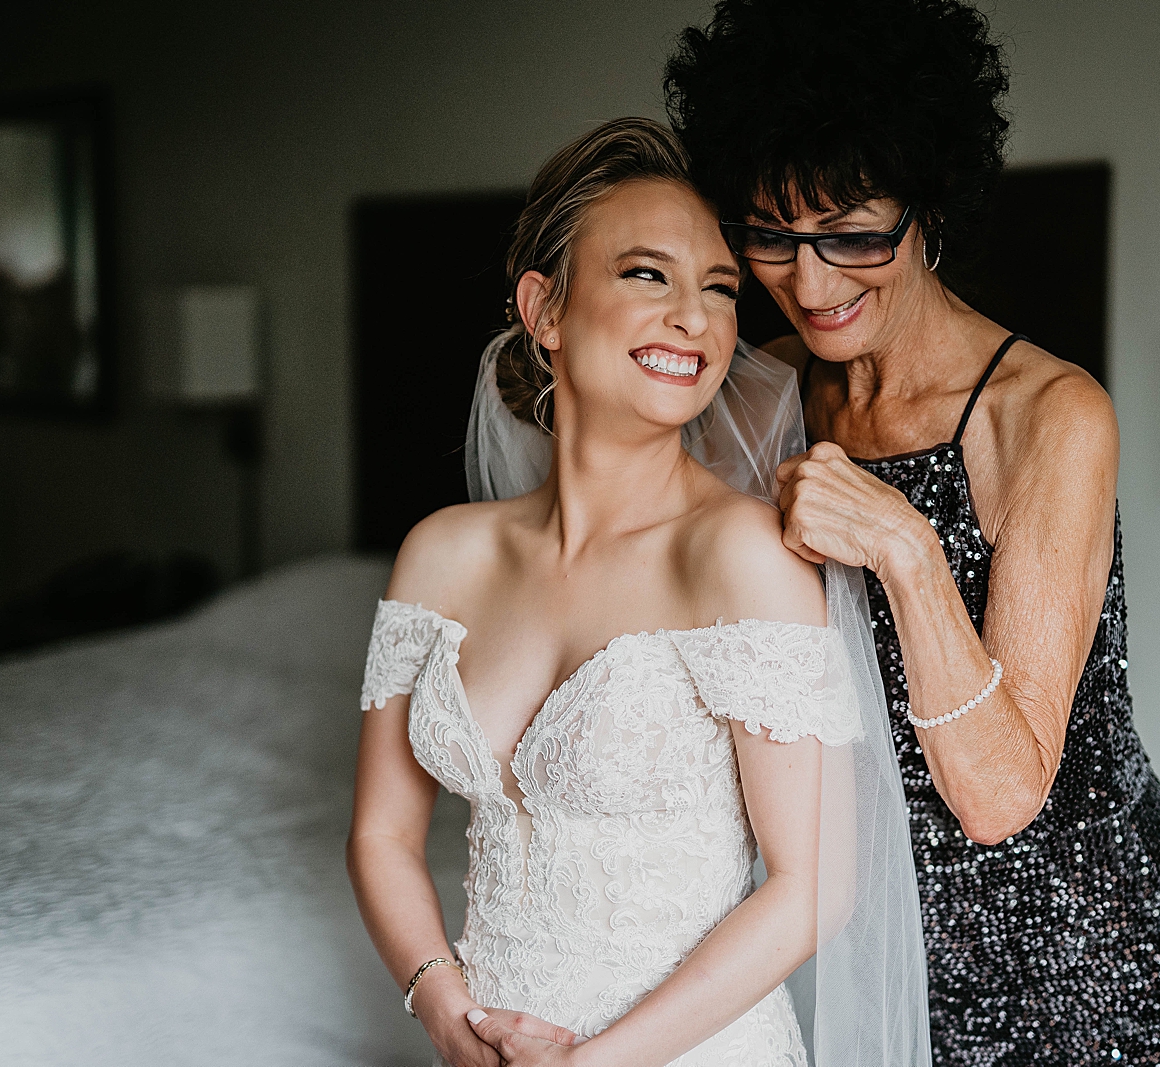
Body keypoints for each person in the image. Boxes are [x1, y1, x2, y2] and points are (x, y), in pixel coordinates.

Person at [665, 2, 1160, 1064]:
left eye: (854, 234)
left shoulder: (1046, 414)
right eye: (772, 237)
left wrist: (909, 551)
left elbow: (1002, 792)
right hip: (875, 940)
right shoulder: (753, 395)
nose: (813, 282)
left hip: (1083, 948)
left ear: (928, 206)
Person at [346, 118, 928, 1067]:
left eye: (721, 289)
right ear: (545, 310)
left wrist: (590, 1063)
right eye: (648, 274)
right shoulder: (439, 558)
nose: (695, 318)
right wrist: (448, 1013)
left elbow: (813, 884)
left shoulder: (739, 553)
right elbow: (379, 831)